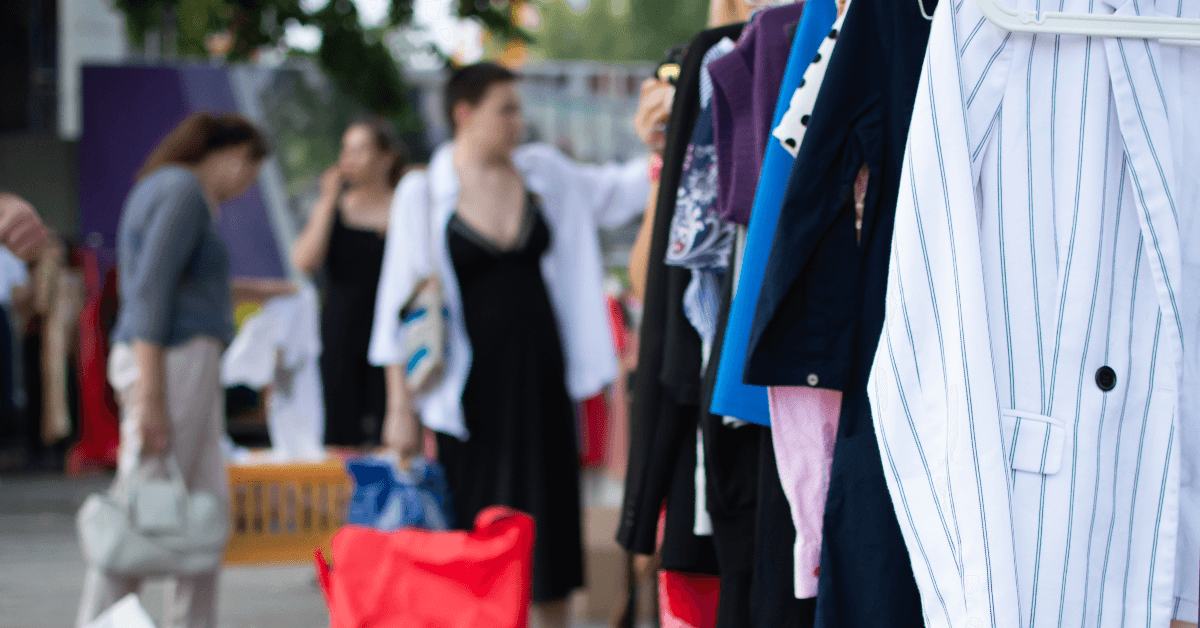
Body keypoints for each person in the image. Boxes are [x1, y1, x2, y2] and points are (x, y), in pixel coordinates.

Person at [368, 62, 662, 628]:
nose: (517, 122)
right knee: (476, 523)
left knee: (548, 518)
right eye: (506, 109)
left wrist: (668, 146)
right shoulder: (423, 192)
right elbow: (396, 310)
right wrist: (400, 410)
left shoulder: (544, 174)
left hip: (543, 377)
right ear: (465, 113)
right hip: (468, 391)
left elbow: (617, 191)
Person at [76, 112, 274, 628]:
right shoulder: (184, 191)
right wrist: (152, 397)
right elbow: (150, 293)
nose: (248, 184)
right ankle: (97, 619)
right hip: (171, 360)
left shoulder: (169, 188)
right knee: (142, 507)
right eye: (252, 170)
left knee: (203, 509)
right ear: (235, 154)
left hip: (180, 359)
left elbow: (170, 285)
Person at [291, 118, 405, 447]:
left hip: (390, 331)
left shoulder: (403, 206)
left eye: (360, 149)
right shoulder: (334, 208)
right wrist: (327, 200)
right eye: (345, 150)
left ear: (386, 157)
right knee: (341, 426)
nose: (349, 158)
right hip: (341, 332)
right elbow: (304, 260)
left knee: (389, 424)